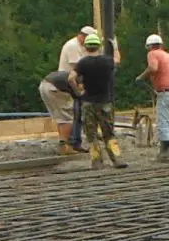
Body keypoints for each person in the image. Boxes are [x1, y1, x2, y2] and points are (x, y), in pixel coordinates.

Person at [72, 29, 126, 170]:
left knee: (91, 133)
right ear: (99, 46)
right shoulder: (107, 61)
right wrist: (115, 46)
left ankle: (96, 162)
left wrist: (79, 90)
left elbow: (70, 77)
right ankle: (117, 159)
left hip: (88, 102)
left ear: (86, 47)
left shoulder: (82, 63)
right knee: (108, 132)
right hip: (105, 102)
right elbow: (117, 60)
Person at [143, 33, 169, 162]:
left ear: (149, 46)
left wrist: (141, 77)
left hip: (166, 93)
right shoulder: (168, 55)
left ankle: (164, 153)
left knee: (163, 122)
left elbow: (153, 68)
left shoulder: (153, 54)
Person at [57, 25, 94, 149]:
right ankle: (73, 142)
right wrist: (83, 86)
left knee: (77, 113)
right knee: (75, 112)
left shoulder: (79, 46)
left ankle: (75, 141)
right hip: (69, 83)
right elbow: (76, 68)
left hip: (74, 82)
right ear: (83, 36)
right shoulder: (72, 46)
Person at [38, 65, 79, 154]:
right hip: (54, 87)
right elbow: (75, 85)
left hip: (44, 85)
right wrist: (78, 93)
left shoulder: (80, 73)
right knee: (68, 118)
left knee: (61, 117)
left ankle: (63, 145)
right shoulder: (84, 78)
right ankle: (64, 147)